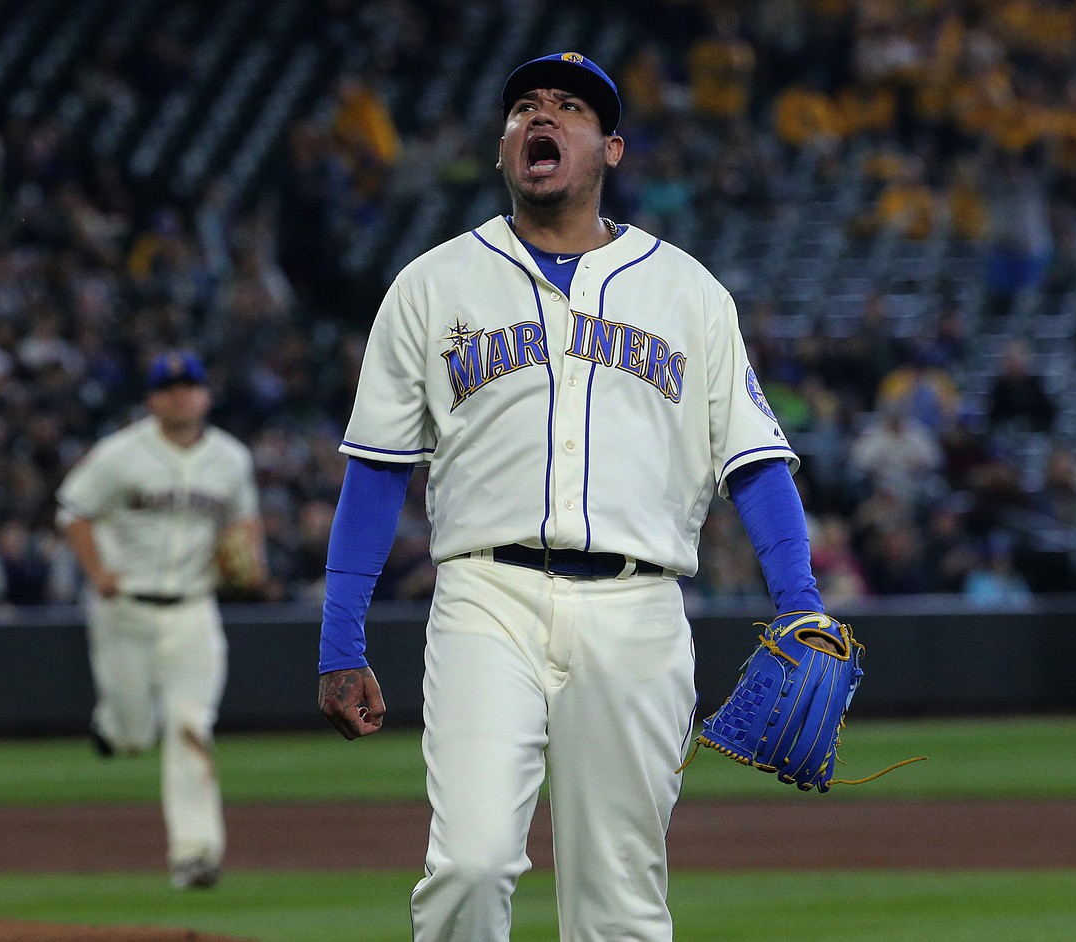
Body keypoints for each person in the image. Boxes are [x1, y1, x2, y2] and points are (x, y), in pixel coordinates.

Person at [317, 52, 836, 942]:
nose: (541, 118)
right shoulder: (432, 283)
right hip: (487, 597)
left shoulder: (688, 292)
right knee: (471, 865)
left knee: (620, 902)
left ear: (611, 149)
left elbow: (752, 458)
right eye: (524, 107)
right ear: (504, 146)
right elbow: (376, 467)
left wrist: (801, 604)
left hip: (638, 611)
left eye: (568, 109)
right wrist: (340, 636)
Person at [56, 350, 266, 890]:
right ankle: (113, 726)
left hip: (195, 610)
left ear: (206, 394)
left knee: (191, 725)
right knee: (132, 735)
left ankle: (195, 854)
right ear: (152, 400)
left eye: (190, 385)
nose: (180, 395)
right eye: (168, 387)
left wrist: (251, 562)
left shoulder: (231, 459)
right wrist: (96, 569)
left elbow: (244, 519)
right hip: (124, 610)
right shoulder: (120, 454)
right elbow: (72, 509)